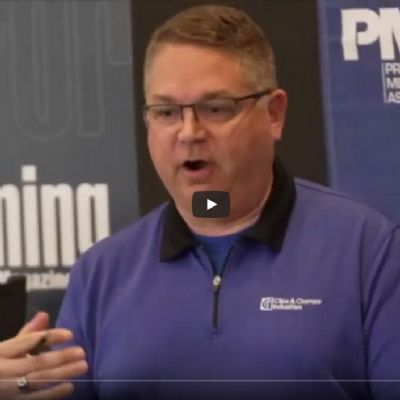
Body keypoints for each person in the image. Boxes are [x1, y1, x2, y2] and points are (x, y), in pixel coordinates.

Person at [1, 4, 400, 400]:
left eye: (216, 109)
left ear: (274, 114)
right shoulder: (101, 273)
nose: (189, 132)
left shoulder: (369, 250)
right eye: (167, 112)